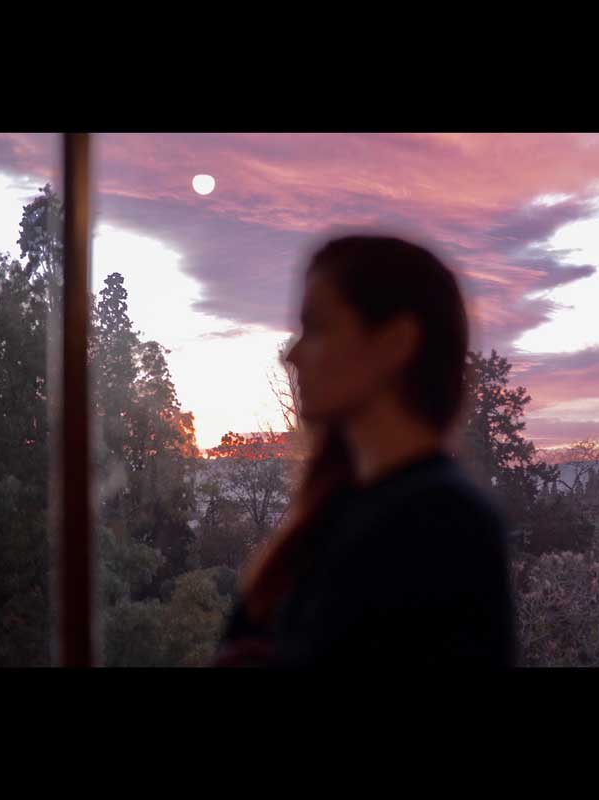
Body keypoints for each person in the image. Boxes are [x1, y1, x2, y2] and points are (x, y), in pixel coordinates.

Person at [214, 235, 515, 667]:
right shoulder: (336, 509)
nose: (292, 355)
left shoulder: (443, 523)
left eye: (317, 327)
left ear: (395, 342)